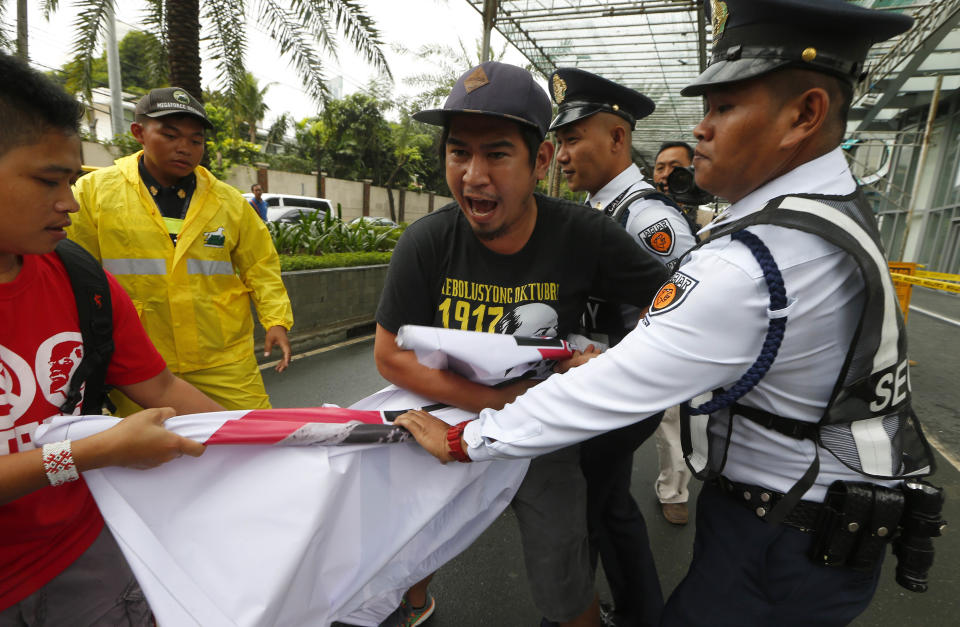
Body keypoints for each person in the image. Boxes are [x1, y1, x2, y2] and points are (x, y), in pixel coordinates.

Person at [397, 2, 941, 625]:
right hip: (797, 520)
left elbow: (617, 381)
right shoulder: (820, 212)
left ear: (805, 114)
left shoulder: (755, 260)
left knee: (606, 516)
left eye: (724, 107)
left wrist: (466, 438)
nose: (701, 130)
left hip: (785, 536)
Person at [373, 61, 668, 627]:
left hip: (541, 433)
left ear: (540, 161)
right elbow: (389, 357)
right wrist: (495, 403)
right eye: (459, 152)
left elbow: (675, 305)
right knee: (406, 535)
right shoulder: (427, 242)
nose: (473, 175)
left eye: (497, 154)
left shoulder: (585, 236)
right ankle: (412, 602)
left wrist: (610, 361)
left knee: (562, 564)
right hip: (444, 419)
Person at [0, 51, 222, 625]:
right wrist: (94, 452)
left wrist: (262, 441)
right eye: (48, 181)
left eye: (72, 181)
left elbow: (160, 383)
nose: (68, 203)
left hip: (88, 559)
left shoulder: (79, 279)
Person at [549, 67, 697, 626]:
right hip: (599, 388)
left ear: (617, 138)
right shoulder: (601, 210)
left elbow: (685, 314)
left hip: (618, 393)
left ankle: (569, 614)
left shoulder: (646, 218)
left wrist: (617, 368)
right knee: (609, 507)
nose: (561, 155)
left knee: (579, 511)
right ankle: (639, 613)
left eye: (571, 139)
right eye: (558, 142)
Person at [68, 87, 294, 414]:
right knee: (149, 455)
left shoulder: (228, 202)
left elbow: (261, 265)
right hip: (138, 359)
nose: (184, 148)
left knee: (252, 437)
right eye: (170, 135)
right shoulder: (94, 194)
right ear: (139, 133)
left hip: (222, 356)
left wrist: (276, 321)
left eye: (196, 140)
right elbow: (74, 272)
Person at [650, 140, 698, 526]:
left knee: (674, 420)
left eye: (676, 168)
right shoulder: (635, 213)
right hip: (633, 331)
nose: (666, 176)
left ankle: (674, 490)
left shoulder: (708, 221)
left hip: (682, 338)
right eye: (660, 167)